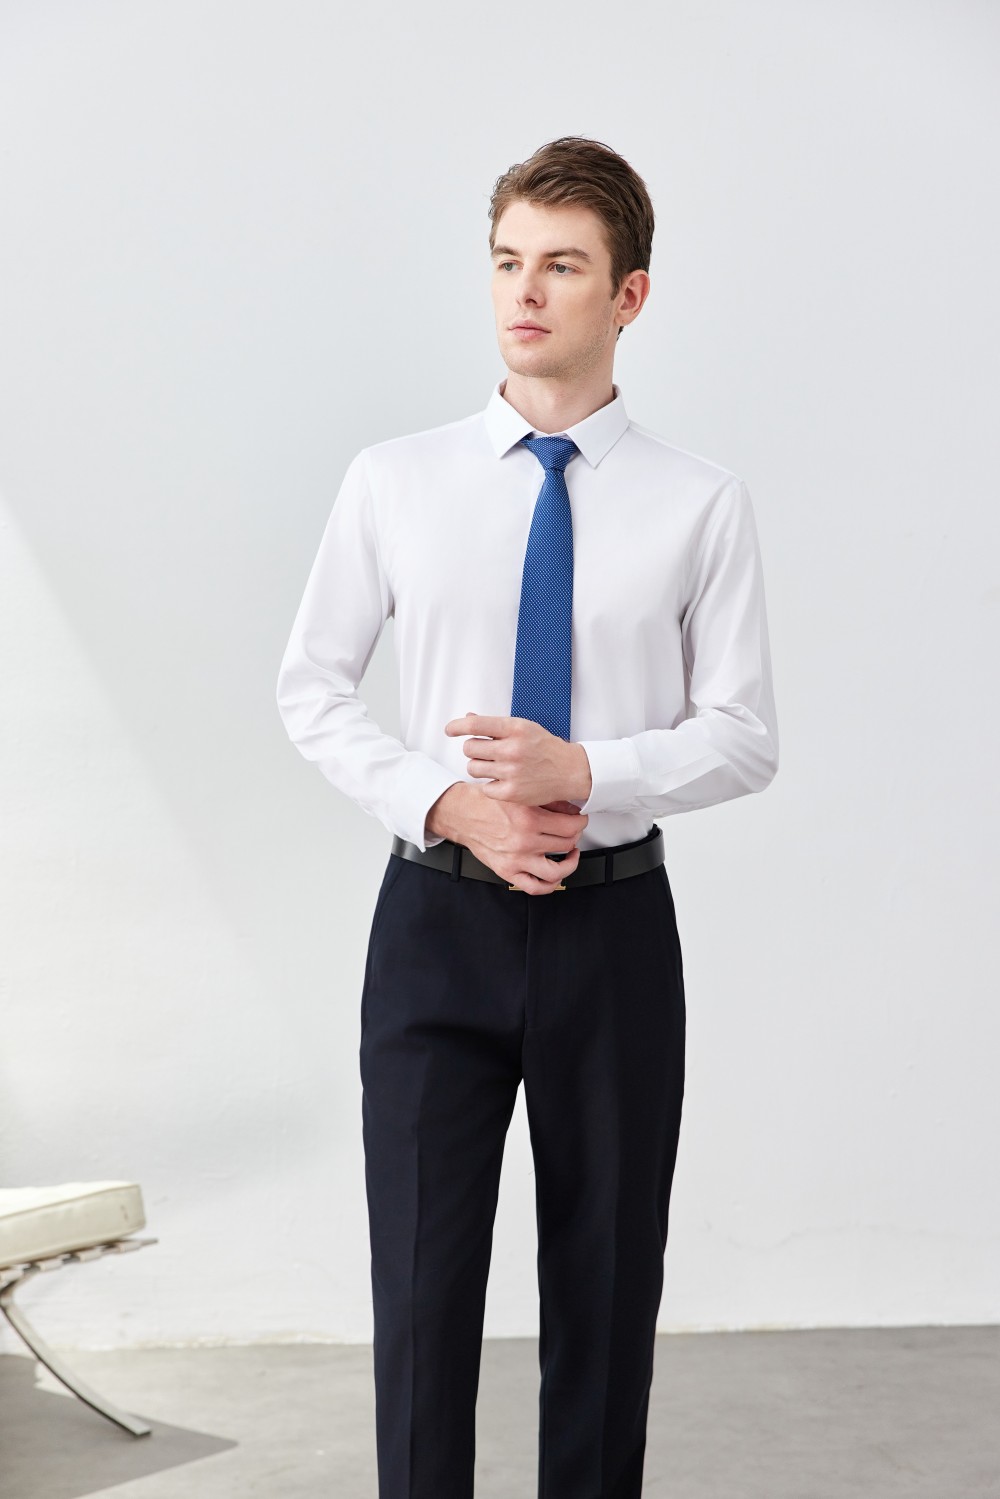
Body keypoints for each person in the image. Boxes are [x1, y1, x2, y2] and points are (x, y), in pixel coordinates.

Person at [276, 135, 778, 1499]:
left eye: (562, 265)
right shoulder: (395, 479)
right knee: (421, 1296)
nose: (526, 292)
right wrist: (451, 803)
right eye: (508, 262)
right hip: (433, 927)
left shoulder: (698, 503)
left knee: (605, 1304)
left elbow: (744, 736)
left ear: (630, 296)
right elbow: (311, 687)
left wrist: (585, 772)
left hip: (613, 938)